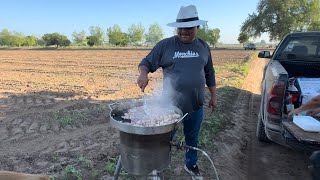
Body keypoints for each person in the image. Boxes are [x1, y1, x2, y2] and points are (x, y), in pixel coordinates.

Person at [137, 5, 217, 178]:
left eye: (189, 28)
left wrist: (214, 96)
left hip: (195, 105)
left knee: (192, 138)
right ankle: (156, 168)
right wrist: (143, 73)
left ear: (198, 27)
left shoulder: (203, 47)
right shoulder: (166, 45)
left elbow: (209, 73)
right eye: (180, 27)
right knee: (162, 141)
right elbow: (146, 62)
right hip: (169, 107)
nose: (184, 31)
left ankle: (191, 164)